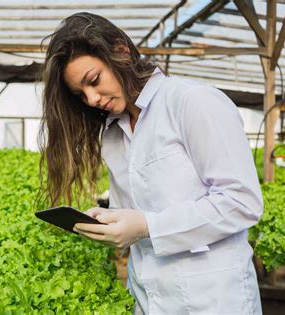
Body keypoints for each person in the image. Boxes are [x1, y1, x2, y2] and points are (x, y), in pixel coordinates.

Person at [39, 12, 263, 314]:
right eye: (81, 94)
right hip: (147, 295)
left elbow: (241, 202)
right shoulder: (113, 133)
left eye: (94, 81)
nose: (92, 98)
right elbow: (136, 211)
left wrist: (148, 226)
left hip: (212, 297)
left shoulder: (192, 102)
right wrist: (109, 221)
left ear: (121, 50)